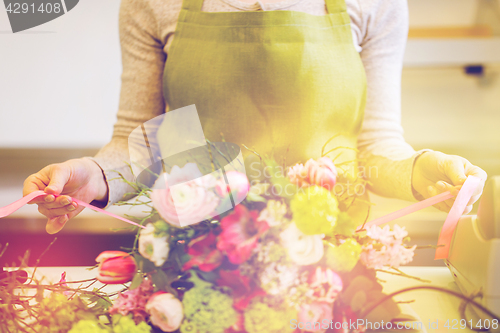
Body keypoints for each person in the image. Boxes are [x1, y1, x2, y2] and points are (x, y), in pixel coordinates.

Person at [23, 0, 486, 234]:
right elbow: (142, 139)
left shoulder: (378, 4)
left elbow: (375, 145)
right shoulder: (153, 3)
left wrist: (422, 171)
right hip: (195, 261)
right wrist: (94, 175)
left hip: (330, 260)